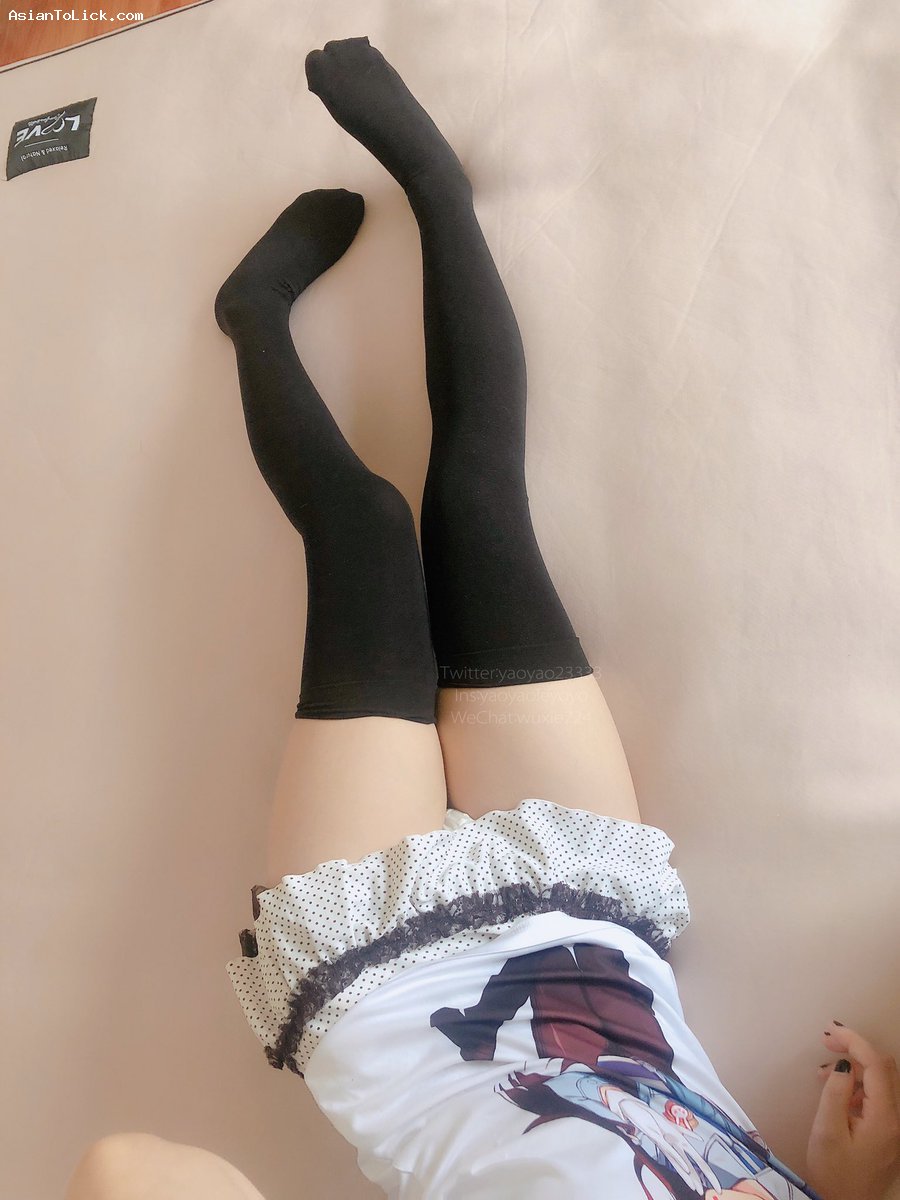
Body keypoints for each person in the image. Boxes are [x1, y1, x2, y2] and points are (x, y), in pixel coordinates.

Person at [65, 37, 900, 1200]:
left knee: (367, 533)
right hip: (591, 945)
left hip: (387, 988)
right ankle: (435, 184)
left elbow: (120, 1171)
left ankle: (252, 316)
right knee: (475, 502)